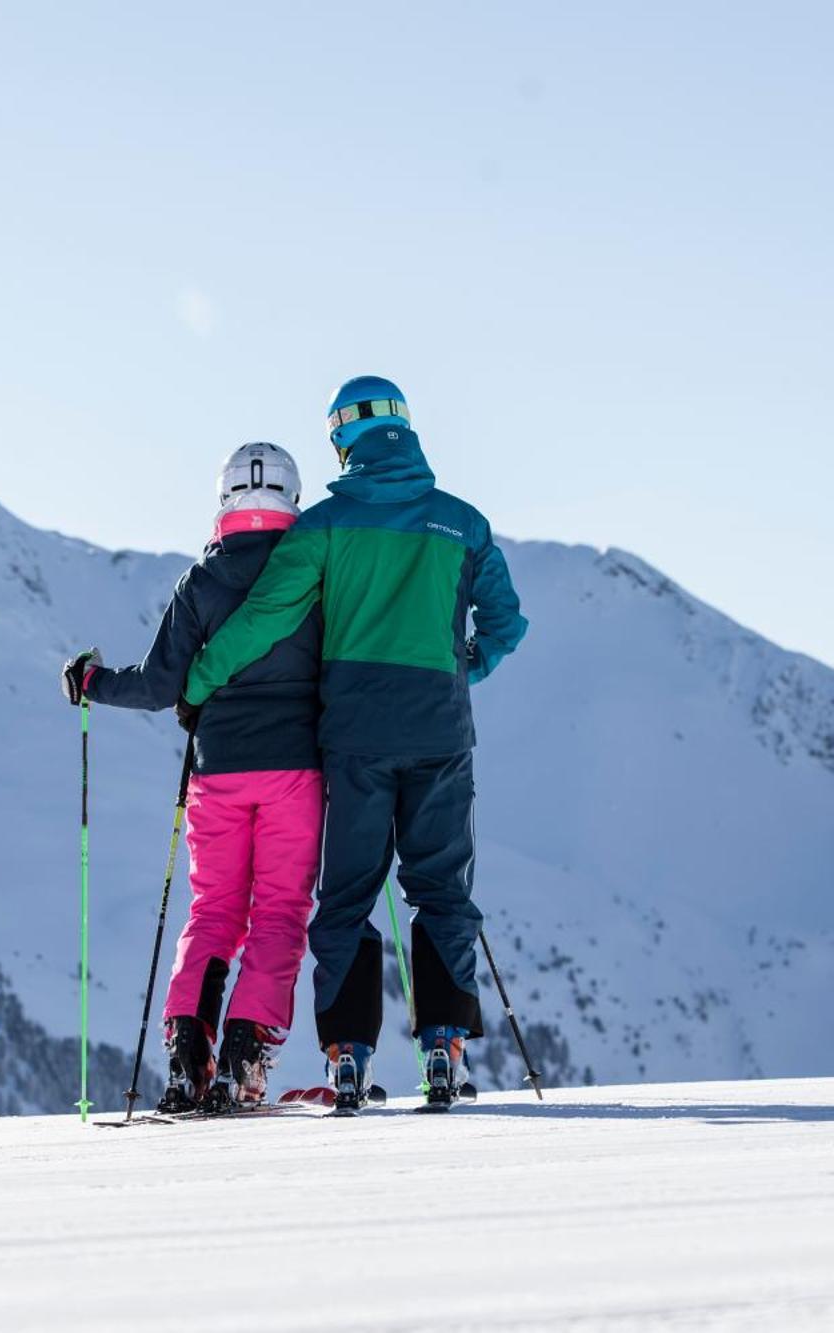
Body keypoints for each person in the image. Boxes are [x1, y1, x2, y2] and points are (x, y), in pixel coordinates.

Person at [180, 376, 527, 1110]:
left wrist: (201, 680)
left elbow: (265, 617)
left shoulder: (323, 527)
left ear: (342, 438)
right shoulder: (463, 524)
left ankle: (348, 1055)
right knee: (441, 890)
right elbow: (507, 624)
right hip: (439, 732)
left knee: (346, 897)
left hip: (354, 741)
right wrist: (467, 664)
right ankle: (442, 1046)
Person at [60, 443, 323, 1112]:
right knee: (281, 912)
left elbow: (157, 686)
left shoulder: (201, 582)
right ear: (292, 497)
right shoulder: (316, 574)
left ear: (224, 498)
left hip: (218, 773)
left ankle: (187, 1050)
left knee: (214, 910)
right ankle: (246, 1051)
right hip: (296, 770)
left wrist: (91, 681)